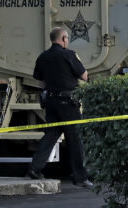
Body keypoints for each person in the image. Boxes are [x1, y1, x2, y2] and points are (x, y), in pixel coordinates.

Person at [27, 27, 93, 189]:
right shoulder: (69, 54)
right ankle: (80, 177)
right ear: (63, 38)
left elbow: (38, 78)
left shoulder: (43, 56)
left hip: (50, 101)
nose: (68, 40)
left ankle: (34, 169)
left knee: (51, 134)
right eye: (67, 38)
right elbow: (84, 76)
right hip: (67, 102)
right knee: (75, 140)